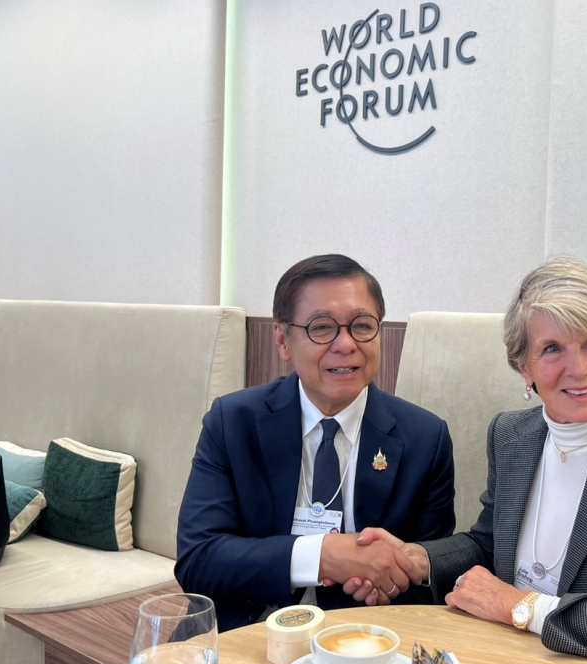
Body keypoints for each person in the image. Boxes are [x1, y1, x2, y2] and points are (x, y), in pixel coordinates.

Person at [347, 257, 587, 664]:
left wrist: (519, 606)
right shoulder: (510, 435)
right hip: (508, 659)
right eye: (553, 349)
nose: (579, 369)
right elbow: (490, 545)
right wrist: (416, 559)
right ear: (525, 367)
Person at [176, 254, 456, 630]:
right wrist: (323, 556)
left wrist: (389, 579)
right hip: (245, 628)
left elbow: (429, 573)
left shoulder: (425, 437)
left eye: (362, 326)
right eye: (322, 328)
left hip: (363, 638)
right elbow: (198, 560)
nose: (346, 344)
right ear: (283, 341)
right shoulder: (233, 422)